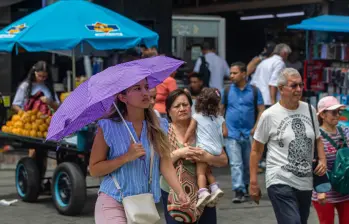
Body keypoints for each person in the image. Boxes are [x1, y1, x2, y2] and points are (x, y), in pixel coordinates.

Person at [90, 79, 189, 223]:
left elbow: (166, 164)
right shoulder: (107, 127)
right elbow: (94, 169)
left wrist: (179, 191)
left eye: (146, 87)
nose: (145, 93)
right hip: (112, 201)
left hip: (143, 204)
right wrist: (126, 157)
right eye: (137, 88)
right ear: (122, 97)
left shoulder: (160, 125)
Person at [250, 68, 327, 224]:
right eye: (293, 86)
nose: (298, 89)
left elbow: (317, 139)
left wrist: (323, 161)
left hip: (305, 182)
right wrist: (253, 182)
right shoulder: (269, 115)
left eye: (300, 85)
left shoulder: (309, 110)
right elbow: (256, 150)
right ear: (280, 89)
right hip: (279, 180)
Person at [161, 89, 228, 224]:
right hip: (173, 192)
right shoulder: (163, 131)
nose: (182, 109)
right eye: (177, 106)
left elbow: (223, 160)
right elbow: (158, 164)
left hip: (203, 192)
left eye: (185, 105)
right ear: (168, 111)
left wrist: (206, 157)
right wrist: (180, 153)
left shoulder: (203, 126)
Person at [12, 60, 60, 192]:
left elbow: (58, 106)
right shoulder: (25, 86)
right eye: (40, 76)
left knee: (43, 154)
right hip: (30, 125)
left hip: (46, 125)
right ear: (34, 73)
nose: (42, 79)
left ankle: (39, 182)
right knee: (33, 152)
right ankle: (33, 183)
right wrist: (23, 114)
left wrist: (50, 102)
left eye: (45, 76)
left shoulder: (49, 87)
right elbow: (15, 104)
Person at [221, 62, 264, 203]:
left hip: (249, 133)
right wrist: (222, 127)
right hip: (232, 133)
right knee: (236, 163)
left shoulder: (255, 91)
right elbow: (220, 110)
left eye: (234, 73)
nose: (231, 76)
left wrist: (257, 126)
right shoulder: (226, 91)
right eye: (231, 73)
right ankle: (238, 190)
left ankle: (246, 187)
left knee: (248, 163)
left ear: (244, 74)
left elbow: (261, 110)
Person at [183, 88, 227, 208]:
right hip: (217, 149)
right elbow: (225, 133)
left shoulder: (197, 116)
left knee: (200, 172)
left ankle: (203, 192)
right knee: (208, 170)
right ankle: (214, 188)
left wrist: (185, 141)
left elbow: (190, 131)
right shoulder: (220, 118)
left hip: (203, 149)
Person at [312, 96, 349, 224]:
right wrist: (320, 191)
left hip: (345, 190)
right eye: (333, 112)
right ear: (322, 114)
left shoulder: (345, 131)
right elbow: (314, 164)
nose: (337, 115)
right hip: (325, 192)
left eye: (339, 112)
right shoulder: (316, 136)